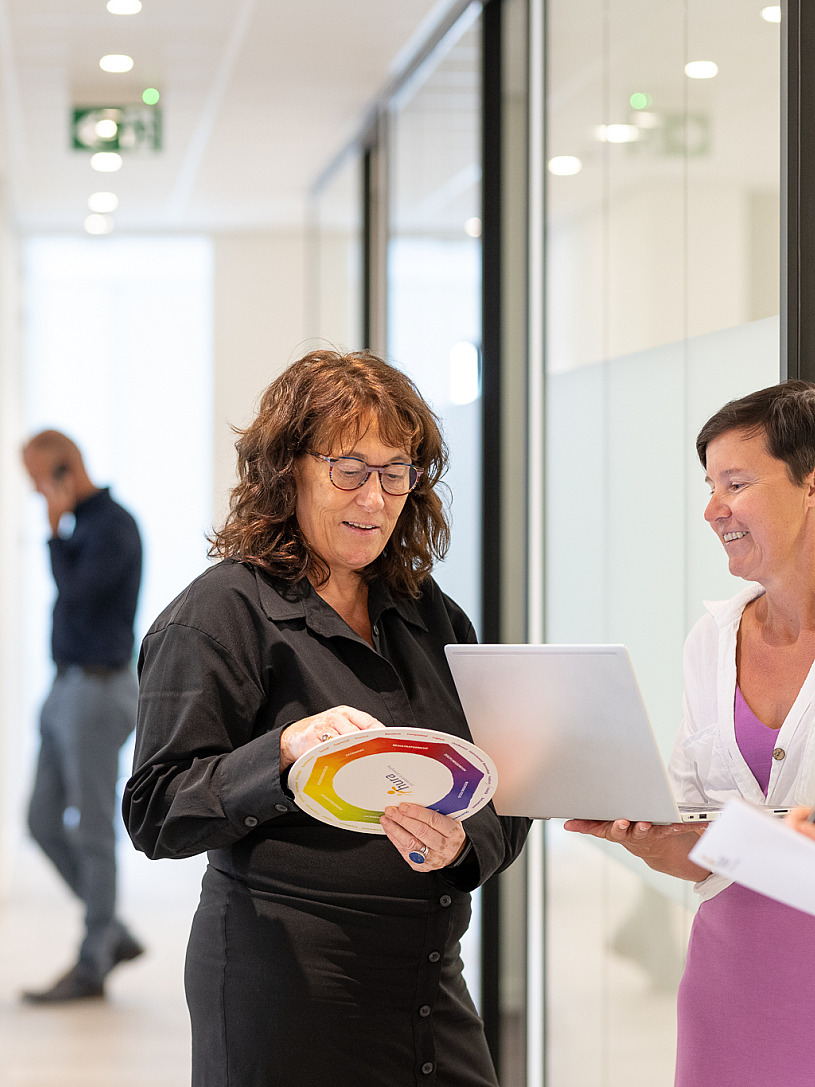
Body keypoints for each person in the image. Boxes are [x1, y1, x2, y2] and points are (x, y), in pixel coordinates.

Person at [123, 349, 530, 1087]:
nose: (373, 498)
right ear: (287, 471)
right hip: (284, 990)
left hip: (428, 984)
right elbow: (155, 811)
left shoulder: (429, 613)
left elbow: (502, 789)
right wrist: (280, 753)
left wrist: (463, 846)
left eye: (395, 471)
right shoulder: (217, 615)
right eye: (349, 468)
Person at [564, 380, 815, 1087]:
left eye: (735, 482)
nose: (712, 509)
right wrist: (650, 840)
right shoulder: (712, 637)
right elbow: (702, 858)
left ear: (809, 486)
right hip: (728, 990)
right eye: (709, 485)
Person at [21, 430, 144, 1003]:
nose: (35, 490)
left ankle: (93, 962)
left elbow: (78, 595)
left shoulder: (114, 525)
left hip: (98, 691)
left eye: (38, 479)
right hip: (66, 687)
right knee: (42, 820)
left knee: (94, 830)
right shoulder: (84, 528)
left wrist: (52, 531)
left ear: (63, 470)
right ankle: (111, 930)